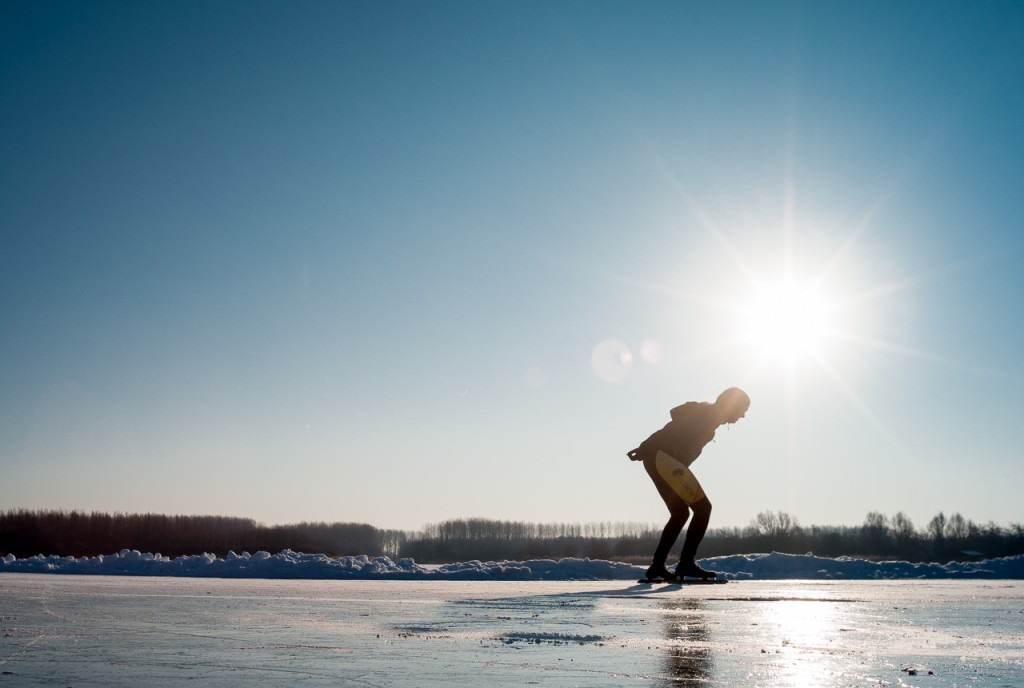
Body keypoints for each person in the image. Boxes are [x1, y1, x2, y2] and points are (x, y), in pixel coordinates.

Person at [627, 387, 750, 581]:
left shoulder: (710, 414)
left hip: (657, 460)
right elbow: (672, 430)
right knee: (703, 508)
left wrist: (646, 451)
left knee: (680, 513)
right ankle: (686, 564)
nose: (742, 416)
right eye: (742, 410)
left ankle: (657, 566)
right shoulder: (709, 415)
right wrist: (645, 447)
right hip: (664, 459)